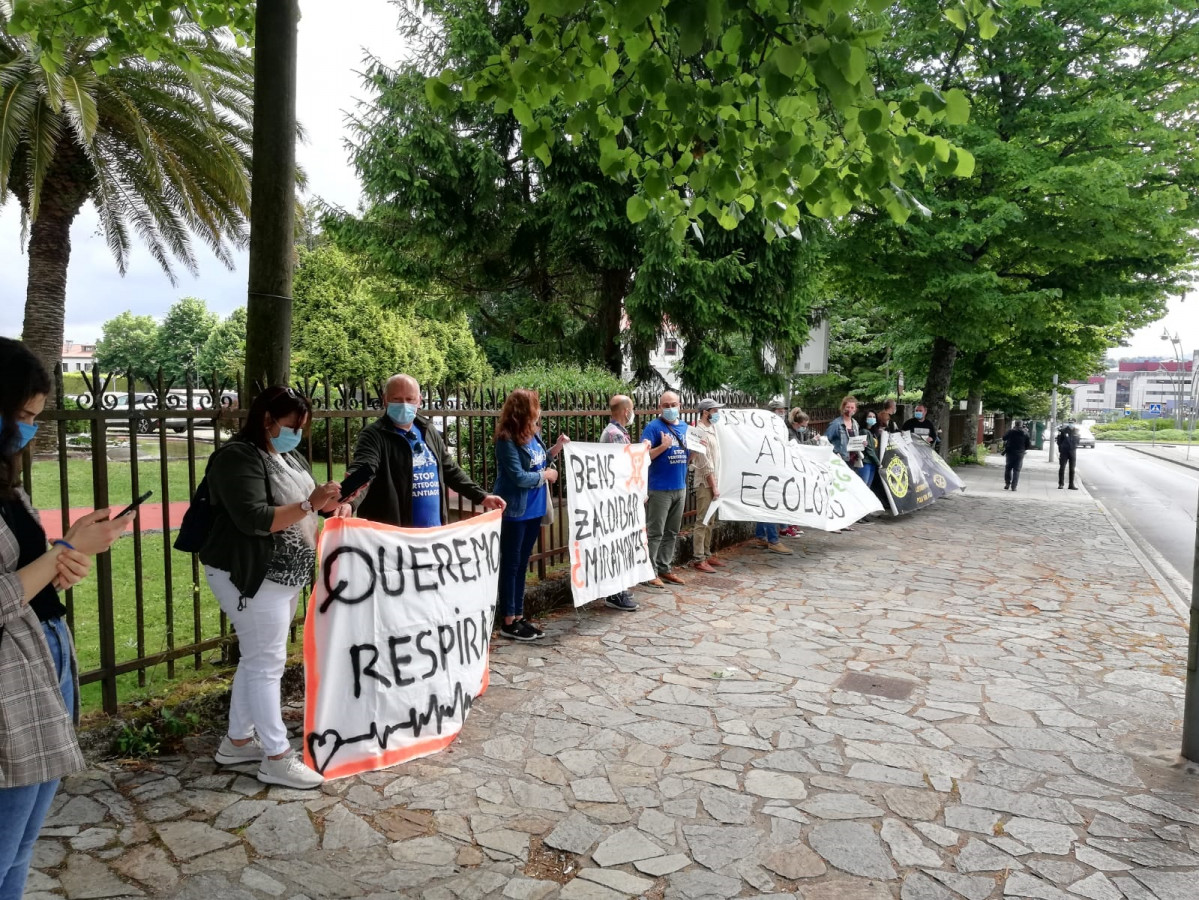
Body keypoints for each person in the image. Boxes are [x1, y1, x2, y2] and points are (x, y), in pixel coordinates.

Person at [0, 338, 132, 898]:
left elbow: (28, 571)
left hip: (43, 663)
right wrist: (58, 554)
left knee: (25, 842)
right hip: (9, 683)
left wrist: (68, 554)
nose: (28, 429)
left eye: (35, 417)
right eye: (22, 416)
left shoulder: (8, 484)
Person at [201, 386, 345, 790]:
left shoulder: (286, 455)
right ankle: (276, 756)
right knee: (267, 663)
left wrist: (330, 503)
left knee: (257, 659)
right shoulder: (236, 457)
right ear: (266, 419)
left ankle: (237, 741)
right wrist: (310, 506)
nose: (297, 433)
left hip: (281, 578)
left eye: (301, 427)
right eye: (290, 425)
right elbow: (254, 518)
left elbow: (305, 500)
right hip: (249, 576)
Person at [347, 374, 505, 527]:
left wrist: (482, 497)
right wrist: (349, 500)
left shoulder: (427, 430)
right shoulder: (374, 435)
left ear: (419, 401)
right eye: (397, 399)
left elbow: (449, 469)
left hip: (432, 536)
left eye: (410, 399)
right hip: (395, 537)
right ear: (385, 400)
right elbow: (365, 468)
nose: (404, 404)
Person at [493, 390, 569, 640]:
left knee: (522, 563)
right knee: (511, 565)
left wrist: (556, 449)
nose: (539, 412)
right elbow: (518, 476)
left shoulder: (532, 434)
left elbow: (539, 460)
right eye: (535, 407)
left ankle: (519, 615)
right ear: (524, 410)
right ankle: (508, 621)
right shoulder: (506, 439)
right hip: (516, 510)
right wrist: (545, 476)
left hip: (534, 509)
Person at [641, 391, 693, 585]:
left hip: (680, 486)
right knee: (655, 533)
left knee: (672, 532)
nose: (670, 408)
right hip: (659, 488)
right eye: (666, 405)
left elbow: (687, 458)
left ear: (680, 405)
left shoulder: (686, 428)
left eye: (673, 404)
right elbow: (643, 457)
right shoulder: (653, 428)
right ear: (659, 407)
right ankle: (649, 572)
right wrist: (663, 447)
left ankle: (665, 568)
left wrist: (695, 451)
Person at [597, 395, 640, 611]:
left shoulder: (616, 433)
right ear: (625, 411)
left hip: (618, 497)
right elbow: (623, 467)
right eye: (631, 409)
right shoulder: (615, 435)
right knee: (616, 544)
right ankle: (614, 593)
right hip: (617, 498)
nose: (633, 413)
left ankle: (618, 589)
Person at [690, 399, 727, 573]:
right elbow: (705, 462)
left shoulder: (712, 429)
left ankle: (706, 552)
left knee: (710, 520)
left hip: (714, 480)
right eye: (715, 410)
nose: (717, 414)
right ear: (706, 412)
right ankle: (698, 557)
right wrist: (714, 485)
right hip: (705, 481)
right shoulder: (699, 431)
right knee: (702, 520)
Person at [1002, 420, 1033, 491]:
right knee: (1017, 470)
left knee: (1008, 468)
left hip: (1010, 452)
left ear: (1015, 424)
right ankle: (1014, 486)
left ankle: (1007, 483)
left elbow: (1004, 438)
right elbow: (1028, 445)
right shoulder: (1025, 432)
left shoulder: (1011, 431)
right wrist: (1023, 449)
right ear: (1022, 425)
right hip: (1020, 453)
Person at [1057, 424, 1079, 490]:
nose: (1071, 424)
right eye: (1070, 422)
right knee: (1062, 467)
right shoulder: (1063, 431)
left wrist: (1074, 446)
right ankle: (1061, 484)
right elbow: (1059, 441)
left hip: (1072, 451)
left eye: (1073, 422)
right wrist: (1061, 448)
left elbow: (1078, 441)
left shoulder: (1076, 431)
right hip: (1064, 451)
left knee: (1072, 469)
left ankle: (1071, 484)